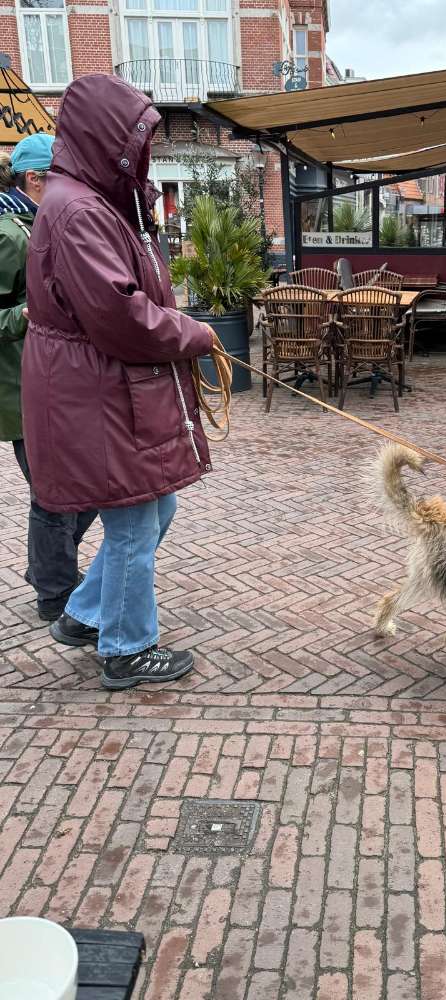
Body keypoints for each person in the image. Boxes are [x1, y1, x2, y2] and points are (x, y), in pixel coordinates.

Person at [22, 74, 217, 689]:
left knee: (157, 508)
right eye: (135, 139)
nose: (142, 152)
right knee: (135, 520)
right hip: (98, 391)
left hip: (99, 387)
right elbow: (119, 313)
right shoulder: (79, 210)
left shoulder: (87, 202)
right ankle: (127, 648)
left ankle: (84, 613)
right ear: (107, 139)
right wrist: (192, 334)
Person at [0, 134, 97, 621]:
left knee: (79, 487)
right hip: (23, 391)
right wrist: (33, 309)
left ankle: (49, 570)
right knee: (57, 493)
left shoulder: (36, 223)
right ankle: (54, 591)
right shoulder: (9, 234)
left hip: (49, 384)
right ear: (35, 179)